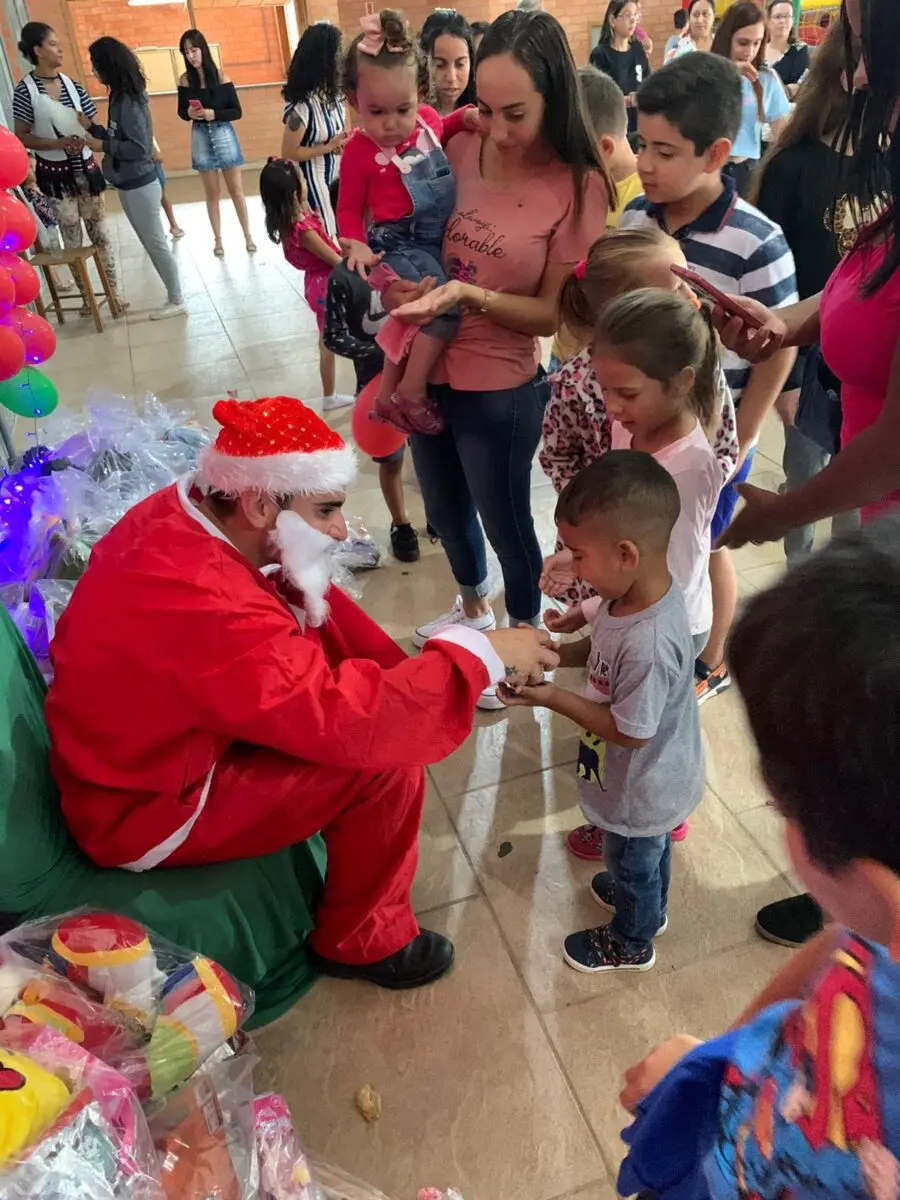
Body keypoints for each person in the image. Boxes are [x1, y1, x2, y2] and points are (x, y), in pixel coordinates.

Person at [45, 395, 559, 992]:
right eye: (327, 510)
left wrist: (428, 674)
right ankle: (362, 940)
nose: (341, 529)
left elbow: (307, 639)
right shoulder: (208, 600)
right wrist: (483, 656)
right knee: (384, 765)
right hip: (145, 803)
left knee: (325, 628)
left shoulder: (185, 511)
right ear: (261, 502)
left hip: (137, 754)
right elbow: (346, 718)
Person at [618, 518, 900, 1197]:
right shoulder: (880, 923)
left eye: (782, 809)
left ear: (865, 876)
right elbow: (848, 940)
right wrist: (718, 1054)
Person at [712, 0, 900, 952]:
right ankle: (853, 902)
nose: (855, 76)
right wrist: (789, 321)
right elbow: (871, 268)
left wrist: (779, 509)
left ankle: (864, 911)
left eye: (867, 50)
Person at [386, 9, 612, 712]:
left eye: (515, 111)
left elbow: (551, 313)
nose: (498, 126)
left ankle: (523, 641)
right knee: (447, 516)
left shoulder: (578, 185)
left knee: (506, 521)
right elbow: (416, 231)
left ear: (554, 98)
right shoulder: (457, 147)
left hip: (499, 386)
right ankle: (473, 616)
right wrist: (409, 279)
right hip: (427, 372)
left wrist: (467, 294)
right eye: (485, 105)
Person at [620, 54, 797, 705]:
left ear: (717, 150)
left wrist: (739, 443)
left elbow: (778, 351)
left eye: (663, 151)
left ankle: (712, 659)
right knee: (653, 538)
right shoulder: (637, 219)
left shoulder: (758, 242)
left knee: (707, 545)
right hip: (645, 429)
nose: (644, 163)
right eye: (641, 143)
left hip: (716, 438)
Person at [501, 451, 703, 974]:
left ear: (625, 554)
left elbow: (632, 734)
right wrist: (556, 654)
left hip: (642, 782)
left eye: (577, 554)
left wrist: (551, 697)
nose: (570, 564)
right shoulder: (628, 600)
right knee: (643, 852)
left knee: (633, 854)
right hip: (632, 779)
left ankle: (633, 940)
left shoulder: (650, 643)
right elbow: (599, 647)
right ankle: (646, 901)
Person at [752, 20, 872, 564]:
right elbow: (775, 285)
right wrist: (789, 378)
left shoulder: (886, 159)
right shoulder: (793, 166)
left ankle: (845, 586)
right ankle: (800, 578)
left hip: (872, 371)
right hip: (810, 360)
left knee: (857, 501)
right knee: (805, 481)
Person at [338, 9, 475, 436]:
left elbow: (441, 125)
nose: (392, 123)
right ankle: (412, 392)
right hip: (396, 244)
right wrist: (355, 244)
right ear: (352, 99)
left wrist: (463, 118)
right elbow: (347, 209)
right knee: (440, 310)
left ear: (421, 93)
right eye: (375, 111)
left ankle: (384, 396)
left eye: (403, 109)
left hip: (433, 240)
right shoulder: (358, 152)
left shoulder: (427, 123)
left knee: (411, 316)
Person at [12, 21, 123, 314]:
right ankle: (88, 299)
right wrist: (55, 145)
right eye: (52, 44)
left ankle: (112, 294)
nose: (59, 49)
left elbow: (89, 123)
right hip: (55, 177)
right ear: (37, 50)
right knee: (72, 241)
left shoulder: (73, 85)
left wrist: (87, 139)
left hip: (87, 171)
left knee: (101, 236)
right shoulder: (25, 91)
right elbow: (21, 134)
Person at [323, 258, 420, 562]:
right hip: (375, 387)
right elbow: (333, 335)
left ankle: (439, 516)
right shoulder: (344, 276)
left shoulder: (414, 258)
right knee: (390, 460)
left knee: (429, 455)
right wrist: (385, 352)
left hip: (423, 380)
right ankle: (401, 523)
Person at [84, 38, 185, 323]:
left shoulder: (129, 100)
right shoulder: (118, 96)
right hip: (127, 183)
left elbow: (140, 148)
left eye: (95, 64)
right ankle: (173, 295)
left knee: (155, 243)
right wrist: (92, 129)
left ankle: (177, 298)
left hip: (141, 182)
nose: (93, 70)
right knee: (149, 241)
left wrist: (103, 146)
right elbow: (119, 136)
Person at [548, 69, 641, 371]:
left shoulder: (644, 204)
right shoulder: (572, 186)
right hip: (564, 356)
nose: (561, 165)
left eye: (569, 155)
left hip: (611, 368)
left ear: (604, 148)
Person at [259, 157, 352, 413]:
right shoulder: (304, 229)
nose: (305, 183)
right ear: (295, 191)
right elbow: (335, 261)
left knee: (328, 339)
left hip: (317, 284)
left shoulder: (290, 220)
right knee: (330, 341)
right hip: (328, 286)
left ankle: (332, 394)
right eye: (302, 179)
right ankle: (330, 396)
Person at [178, 29, 255, 257]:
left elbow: (236, 111)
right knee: (212, 193)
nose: (191, 56)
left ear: (203, 49)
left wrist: (214, 113)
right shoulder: (184, 80)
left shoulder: (222, 77)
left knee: (236, 190)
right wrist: (191, 113)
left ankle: (248, 236)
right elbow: (182, 112)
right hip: (200, 136)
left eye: (194, 50)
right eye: (186, 52)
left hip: (223, 133)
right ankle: (218, 240)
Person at [710, 1, 790, 197]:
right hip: (707, 169)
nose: (750, 51)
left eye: (757, 43)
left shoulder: (765, 78)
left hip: (745, 171)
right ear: (727, 38)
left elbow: (784, 134)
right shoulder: (706, 73)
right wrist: (728, 71)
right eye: (743, 43)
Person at [280, 22, 347, 242]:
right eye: (337, 53)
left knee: (344, 232)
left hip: (337, 174)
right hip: (312, 179)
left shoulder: (334, 97)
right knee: (328, 236)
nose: (342, 59)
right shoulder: (302, 107)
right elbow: (289, 153)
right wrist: (328, 147)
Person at [589, 1, 651, 137]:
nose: (633, 20)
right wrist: (628, 100)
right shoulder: (600, 55)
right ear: (612, 20)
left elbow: (648, 83)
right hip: (614, 132)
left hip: (639, 128)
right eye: (628, 15)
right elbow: (597, 99)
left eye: (636, 15)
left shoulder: (638, 49)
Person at [419, 9, 476, 116]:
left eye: (460, 64)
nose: (451, 78)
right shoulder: (414, 116)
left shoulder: (481, 109)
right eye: (440, 65)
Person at [765, 0, 810, 99]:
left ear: (793, 20)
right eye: (777, 16)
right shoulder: (757, 49)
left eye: (787, 16)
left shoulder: (800, 50)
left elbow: (799, 86)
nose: (782, 21)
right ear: (767, 21)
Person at [152, 138, 184, 240]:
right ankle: (173, 225)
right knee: (161, 188)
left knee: (158, 190)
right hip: (147, 152)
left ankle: (157, 229)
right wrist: (155, 151)